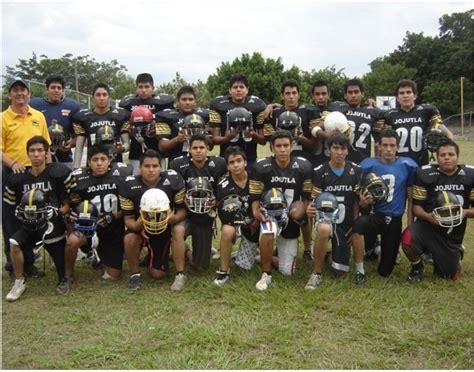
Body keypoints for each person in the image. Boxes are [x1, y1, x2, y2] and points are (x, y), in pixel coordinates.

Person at [56, 144, 133, 294]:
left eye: (103, 159)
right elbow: (70, 205)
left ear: (109, 160)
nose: (99, 163)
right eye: (95, 160)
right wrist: (70, 214)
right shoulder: (78, 178)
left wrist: (114, 215)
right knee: (72, 241)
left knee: (113, 275)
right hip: (88, 228)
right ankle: (68, 275)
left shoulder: (123, 174)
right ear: (88, 162)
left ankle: (99, 255)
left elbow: (131, 207)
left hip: (113, 228)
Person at [4, 136, 70, 301]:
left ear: (47, 153)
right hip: (29, 225)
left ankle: (64, 277)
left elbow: (67, 204)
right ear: (27, 154)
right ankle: (19, 281)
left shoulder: (57, 172)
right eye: (32, 151)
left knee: (62, 272)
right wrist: (21, 213)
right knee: (14, 243)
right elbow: (11, 206)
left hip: (51, 226)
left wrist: (56, 212)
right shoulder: (18, 178)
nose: (36, 154)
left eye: (40, 150)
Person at [401, 140, 474, 282]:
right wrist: (428, 217)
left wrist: (464, 212)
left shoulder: (470, 175)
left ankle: (455, 253)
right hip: (429, 227)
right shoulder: (425, 174)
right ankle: (417, 266)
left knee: (448, 276)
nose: (447, 157)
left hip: (452, 234)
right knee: (407, 238)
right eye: (442, 155)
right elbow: (417, 207)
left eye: (451, 154)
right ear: (437, 157)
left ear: (457, 157)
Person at [263, 79, 319, 262]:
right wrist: (269, 105)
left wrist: (300, 138)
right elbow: (268, 135)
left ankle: (308, 248)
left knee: (304, 207)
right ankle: (277, 245)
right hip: (280, 163)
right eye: (287, 93)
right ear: (282, 95)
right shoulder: (276, 112)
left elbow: (314, 143)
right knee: (277, 201)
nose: (291, 96)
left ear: (299, 94)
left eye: (294, 92)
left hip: (302, 163)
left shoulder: (308, 111)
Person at [1, 78, 51, 279]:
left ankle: (29, 263)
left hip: (37, 173)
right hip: (14, 174)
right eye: (15, 90)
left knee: (35, 218)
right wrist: (13, 164)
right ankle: (14, 266)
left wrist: (48, 167)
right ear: (9, 94)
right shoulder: (3, 118)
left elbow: (45, 145)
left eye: (23, 90)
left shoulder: (38, 116)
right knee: (13, 220)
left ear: (29, 94)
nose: (19, 93)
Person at [250, 130, 312, 291]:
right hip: (269, 215)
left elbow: (306, 198)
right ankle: (266, 273)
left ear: (291, 147)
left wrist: (303, 211)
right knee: (269, 232)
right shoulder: (262, 166)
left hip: (291, 218)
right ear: (272, 148)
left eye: (286, 145)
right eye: (278, 146)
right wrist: (256, 213)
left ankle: (263, 255)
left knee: (287, 272)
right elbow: (255, 197)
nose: (282, 149)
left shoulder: (303, 166)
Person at [352, 129, 418, 278]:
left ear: (398, 147)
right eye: (385, 145)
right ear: (379, 147)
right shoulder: (367, 165)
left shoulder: (407, 165)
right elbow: (360, 200)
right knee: (358, 224)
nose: (389, 149)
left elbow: (410, 198)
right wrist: (363, 203)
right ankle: (368, 253)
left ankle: (379, 249)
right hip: (374, 215)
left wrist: (410, 224)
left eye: (392, 145)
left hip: (394, 220)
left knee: (385, 272)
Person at [118, 149, 186, 291]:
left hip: (164, 228)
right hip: (141, 228)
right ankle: (135, 274)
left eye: (155, 166)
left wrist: (172, 218)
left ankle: (177, 252)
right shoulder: (128, 185)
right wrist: (137, 225)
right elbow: (128, 219)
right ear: (140, 167)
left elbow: (182, 211)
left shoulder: (173, 181)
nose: (151, 170)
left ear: (160, 167)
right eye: (147, 166)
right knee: (130, 237)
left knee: (158, 274)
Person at [305, 133, 366, 288]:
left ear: (347, 151)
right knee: (325, 229)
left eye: (343, 149)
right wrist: (312, 215)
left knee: (340, 273)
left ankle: (334, 258)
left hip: (345, 223)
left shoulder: (356, 171)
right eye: (335, 148)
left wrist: (354, 223)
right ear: (328, 150)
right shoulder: (320, 171)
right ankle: (316, 273)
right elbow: (314, 202)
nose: (339, 152)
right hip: (326, 218)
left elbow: (355, 202)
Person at [169, 134, 227, 290]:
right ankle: (180, 274)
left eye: (202, 148)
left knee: (200, 267)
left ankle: (187, 252)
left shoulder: (218, 164)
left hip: (205, 217)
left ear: (208, 148)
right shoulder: (179, 165)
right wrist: (182, 202)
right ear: (189, 149)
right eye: (195, 148)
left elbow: (226, 188)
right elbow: (172, 190)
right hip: (186, 214)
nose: (198, 151)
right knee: (177, 230)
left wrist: (217, 201)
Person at [213, 146, 260, 286]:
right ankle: (223, 271)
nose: (236, 165)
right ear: (227, 166)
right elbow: (223, 213)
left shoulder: (256, 178)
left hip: (254, 222)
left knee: (244, 266)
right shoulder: (223, 185)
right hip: (235, 222)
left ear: (245, 162)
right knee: (227, 230)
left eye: (239, 161)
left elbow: (263, 201)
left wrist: (256, 218)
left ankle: (247, 252)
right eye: (232, 162)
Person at [383, 79, 452, 166]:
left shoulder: (427, 111)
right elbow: (382, 142)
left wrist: (447, 141)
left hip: (421, 163)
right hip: (397, 165)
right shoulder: (390, 115)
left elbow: (446, 133)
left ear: (415, 96)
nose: (405, 95)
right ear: (397, 98)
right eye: (402, 93)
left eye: (408, 92)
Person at [119, 73, 175, 174]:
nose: (144, 90)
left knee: (158, 178)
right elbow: (124, 124)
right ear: (136, 88)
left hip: (157, 147)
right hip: (136, 148)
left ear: (153, 88)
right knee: (136, 178)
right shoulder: (129, 103)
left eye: (147, 87)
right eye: (140, 87)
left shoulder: (161, 103)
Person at [209, 73, 266, 170]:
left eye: (241, 87)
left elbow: (263, 141)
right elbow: (214, 139)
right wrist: (227, 138)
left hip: (250, 157)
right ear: (230, 90)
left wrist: (253, 134)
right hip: (227, 158)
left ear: (247, 90)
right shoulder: (218, 105)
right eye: (235, 87)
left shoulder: (257, 105)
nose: (238, 90)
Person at [72, 83, 130, 168]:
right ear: (93, 98)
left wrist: (121, 149)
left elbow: (127, 144)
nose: (101, 98)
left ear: (109, 97)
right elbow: (79, 147)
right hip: (94, 165)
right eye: (98, 95)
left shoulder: (120, 115)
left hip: (115, 164)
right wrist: (76, 168)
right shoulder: (83, 117)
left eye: (104, 95)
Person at [29, 75, 81, 169]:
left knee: (66, 181)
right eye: (53, 87)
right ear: (46, 89)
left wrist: (71, 143)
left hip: (64, 156)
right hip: (40, 156)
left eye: (59, 88)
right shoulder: (34, 105)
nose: (56, 90)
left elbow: (79, 134)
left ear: (63, 90)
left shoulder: (72, 106)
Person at [156, 85, 210, 162]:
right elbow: (162, 147)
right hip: (177, 160)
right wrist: (177, 139)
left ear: (195, 101)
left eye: (191, 99)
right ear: (178, 101)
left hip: (199, 161)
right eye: (184, 99)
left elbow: (211, 146)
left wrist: (205, 137)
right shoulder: (167, 116)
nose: (187, 102)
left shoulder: (204, 115)